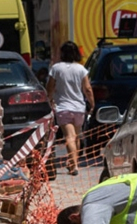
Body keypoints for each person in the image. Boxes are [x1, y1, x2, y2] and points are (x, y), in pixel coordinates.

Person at [46, 41, 96, 176]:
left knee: (69, 136)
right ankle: (73, 162)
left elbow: (50, 87)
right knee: (76, 136)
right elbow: (87, 89)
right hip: (79, 108)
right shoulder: (81, 69)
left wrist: (49, 99)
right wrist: (92, 103)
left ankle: (73, 165)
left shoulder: (56, 68)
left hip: (63, 108)